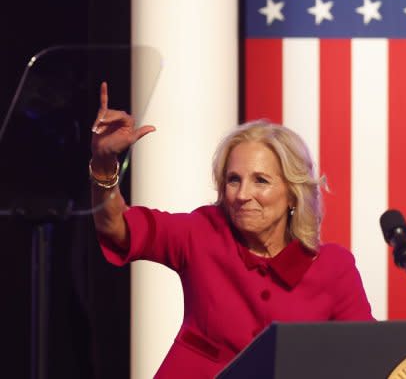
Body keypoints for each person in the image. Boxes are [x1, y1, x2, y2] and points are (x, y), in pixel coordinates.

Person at [88, 83, 374, 378]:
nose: (241, 194)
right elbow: (116, 227)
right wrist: (104, 163)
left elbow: (368, 355)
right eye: (233, 180)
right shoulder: (202, 232)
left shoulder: (333, 267)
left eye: (260, 181)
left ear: (293, 193)